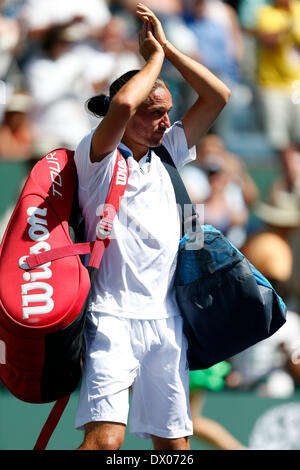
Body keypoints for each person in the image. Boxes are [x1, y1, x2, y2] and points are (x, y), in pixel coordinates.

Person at [74, 3, 231, 451]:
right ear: (125, 118)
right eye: (155, 112)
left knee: (175, 450)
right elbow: (123, 101)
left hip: (168, 320)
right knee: (105, 445)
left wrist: (167, 49)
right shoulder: (97, 156)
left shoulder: (169, 151)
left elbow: (218, 96)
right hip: (111, 317)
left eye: (169, 112)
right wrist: (151, 61)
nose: (166, 121)